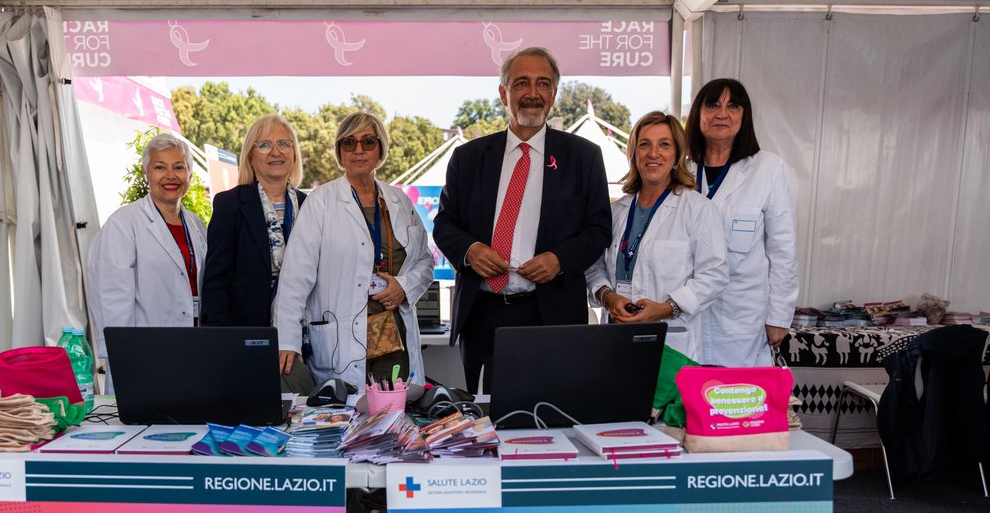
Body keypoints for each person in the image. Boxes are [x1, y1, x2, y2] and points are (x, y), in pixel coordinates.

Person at [432, 46, 611, 393]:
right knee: (484, 423)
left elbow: (599, 227)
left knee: (551, 417)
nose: (532, 93)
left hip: (552, 314)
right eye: (521, 83)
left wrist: (560, 260)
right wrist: (470, 250)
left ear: (554, 94)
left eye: (543, 84)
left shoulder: (583, 157)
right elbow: (444, 224)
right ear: (503, 93)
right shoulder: (467, 158)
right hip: (483, 315)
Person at [275, 112, 435, 389]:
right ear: (339, 151)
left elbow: (424, 261)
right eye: (348, 143)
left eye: (368, 141)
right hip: (342, 341)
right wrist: (287, 341)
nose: (358, 150)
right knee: (345, 420)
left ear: (381, 149)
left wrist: (404, 287)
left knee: (393, 416)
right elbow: (294, 278)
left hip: (393, 340)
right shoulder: (321, 202)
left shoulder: (398, 201)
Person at [586, 112, 729, 363]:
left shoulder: (698, 210)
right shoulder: (616, 211)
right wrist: (608, 296)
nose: (653, 153)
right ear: (634, 154)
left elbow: (714, 276)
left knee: (663, 402)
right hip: (615, 335)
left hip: (671, 339)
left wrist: (665, 308)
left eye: (664, 144)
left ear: (677, 155)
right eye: (645, 144)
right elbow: (593, 266)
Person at [686, 78, 798, 366]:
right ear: (698, 113)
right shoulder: (682, 171)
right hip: (688, 315)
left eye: (732, 106)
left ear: (744, 116)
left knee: (735, 402)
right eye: (712, 105)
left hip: (741, 320)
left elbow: (783, 251)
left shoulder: (768, 169)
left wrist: (778, 316)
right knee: (687, 402)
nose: (722, 114)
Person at [200, 115, 314, 394]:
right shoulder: (230, 205)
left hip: (307, 342)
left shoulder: (310, 206)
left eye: (284, 143)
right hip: (248, 344)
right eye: (264, 145)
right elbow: (216, 284)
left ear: (295, 154)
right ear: (250, 156)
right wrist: (225, 347)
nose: (276, 152)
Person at [86, 132, 207, 381]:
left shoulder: (197, 225)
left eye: (179, 167)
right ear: (146, 173)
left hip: (194, 348)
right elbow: (112, 298)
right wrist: (125, 354)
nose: (170, 176)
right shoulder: (124, 223)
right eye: (160, 167)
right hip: (142, 356)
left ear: (190, 176)